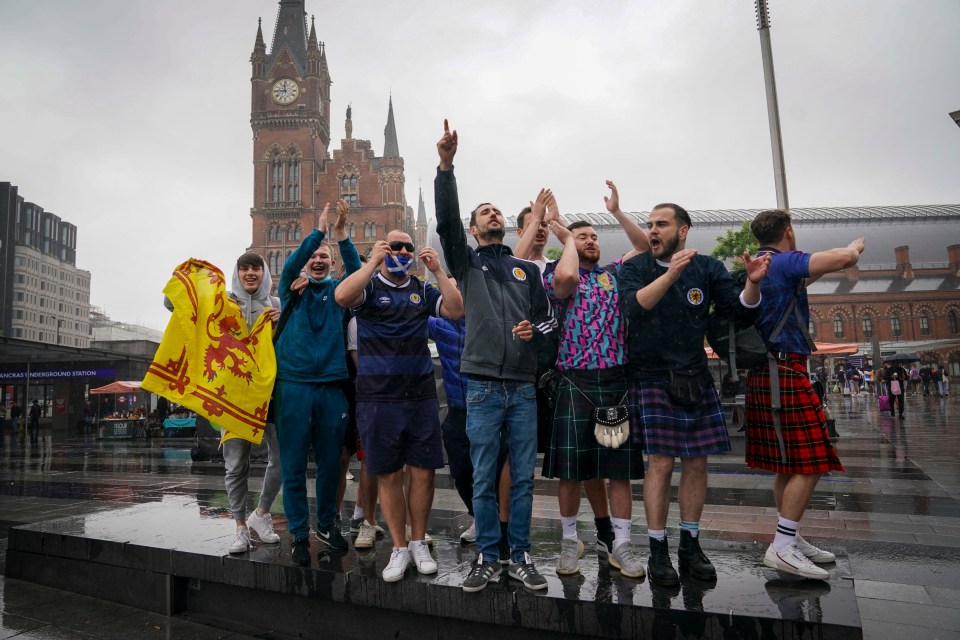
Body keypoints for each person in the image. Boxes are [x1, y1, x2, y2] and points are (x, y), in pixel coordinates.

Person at [435, 120, 557, 593]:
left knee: (523, 479)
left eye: (496, 210)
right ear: (473, 227)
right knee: (485, 477)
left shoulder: (527, 269)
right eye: (484, 211)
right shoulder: (467, 263)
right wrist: (446, 166)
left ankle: (520, 555)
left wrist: (533, 333)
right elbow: (446, 222)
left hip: (522, 387)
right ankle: (488, 556)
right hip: (483, 386)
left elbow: (550, 324)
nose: (492, 215)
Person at [619, 202, 769, 586]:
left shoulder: (708, 267)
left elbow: (740, 312)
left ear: (683, 231)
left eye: (662, 224)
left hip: (694, 375)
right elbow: (633, 308)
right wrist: (670, 275)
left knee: (697, 464)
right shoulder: (635, 267)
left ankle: (690, 543)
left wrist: (752, 283)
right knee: (661, 464)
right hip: (651, 376)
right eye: (650, 225)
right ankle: (657, 549)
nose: (653, 231)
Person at [335, 230, 463, 582]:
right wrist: (373, 262)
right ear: (383, 249)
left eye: (408, 246)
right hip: (378, 398)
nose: (403, 251)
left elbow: (456, 309)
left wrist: (436, 270)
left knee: (423, 472)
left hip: (420, 396)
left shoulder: (422, 289)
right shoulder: (371, 287)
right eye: (395, 246)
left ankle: (419, 541)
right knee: (389, 473)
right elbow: (342, 295)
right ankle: (398, 546)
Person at [745, 208, 863, 581]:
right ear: (789, 232)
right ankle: (781, 545)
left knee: (787, 463)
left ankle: (790, 536)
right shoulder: (784, 261)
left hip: (767, 370)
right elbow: (843, 258)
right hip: (784, 370)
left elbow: (808, 277)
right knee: (812, 460)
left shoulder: (764, 268)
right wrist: (854, 247)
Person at [542, 186, 649, 579]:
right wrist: (567, 238)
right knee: (571, 471)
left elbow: (645, 247)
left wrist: (618, 213)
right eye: (581, 236)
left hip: (614, 382)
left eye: (593, 237)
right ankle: (571, 540)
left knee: (617, 471)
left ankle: (621, 544)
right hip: (576, 381)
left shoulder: (615, 275)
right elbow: (567, 275)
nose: (590, 241)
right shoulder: (560, 275)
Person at [274, 199, 361, 566]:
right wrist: (319, 231)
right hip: (293, 385)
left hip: (331, 386)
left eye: (325, 257)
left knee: (331, 464)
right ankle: (297, 532)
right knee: (293, 465)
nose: (319, 260)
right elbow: (293, 261)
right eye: (315, 257)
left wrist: (340, 236)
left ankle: (326, 524)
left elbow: (359, 272)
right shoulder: (289, 288)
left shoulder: (340, 293)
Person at [222, 252, 283, 555]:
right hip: (233, 395)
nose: (250, 273)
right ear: (237, 272)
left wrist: (280, 320)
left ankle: (260, 515)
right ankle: (239, 528)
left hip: (269, 393)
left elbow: (287, 342)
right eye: (244, 268)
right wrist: (200, 284)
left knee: (282, 458)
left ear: (264, 272)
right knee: (236, 464)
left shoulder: (275, 304)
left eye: (255, 268)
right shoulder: (224, 302)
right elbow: (172, 304)